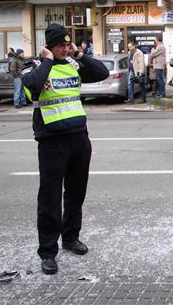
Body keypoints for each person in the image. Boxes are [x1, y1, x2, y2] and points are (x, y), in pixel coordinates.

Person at [20, 23, 109, 275]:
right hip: (51, 141)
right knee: (49, 198)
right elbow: (32, 86)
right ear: (48, 46)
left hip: (79, 137)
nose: (64, 48)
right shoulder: (36, 67)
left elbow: (101, 72)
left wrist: (79, 53)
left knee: (75, 193)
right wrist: (47, 61)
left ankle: (70, 238)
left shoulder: (73, 64)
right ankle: (48, 251)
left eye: (67, 44)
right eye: (60, 45)